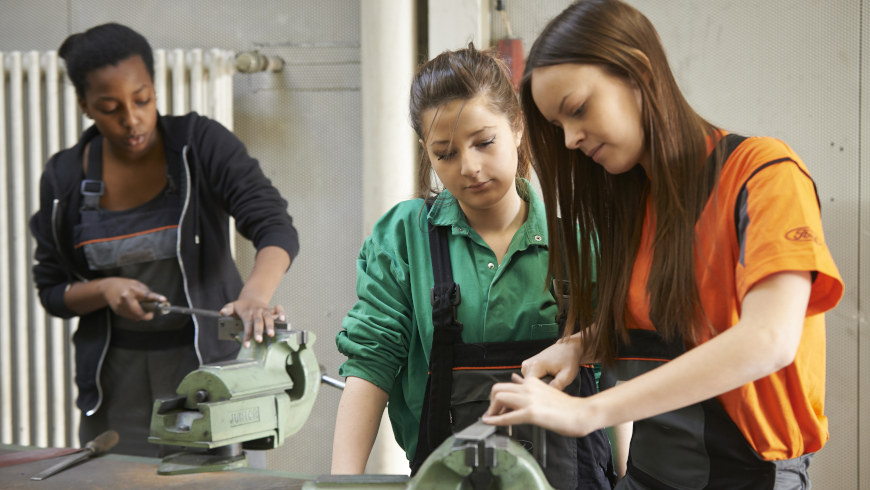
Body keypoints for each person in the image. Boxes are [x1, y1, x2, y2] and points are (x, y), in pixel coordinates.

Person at [481, 1, 844, 489]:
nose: (568, 140)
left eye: (577, 110)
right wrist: (580, 345)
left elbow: (768, 340)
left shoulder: (763, 174)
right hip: (654, 474)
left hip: (749, 476)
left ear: (639, 72)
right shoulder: (639, 206)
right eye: (557, 126)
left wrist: (589, 412)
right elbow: (672, 332)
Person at [331, 45, 615, 489]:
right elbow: (372, 362)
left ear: (517, 128)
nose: (470, 167)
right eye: (445, 153)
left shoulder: (578, 239)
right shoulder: (405, 239)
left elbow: (616, 362)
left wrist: (626, 474)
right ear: (426, 151)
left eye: (484, 142)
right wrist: (341, 482)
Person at [29, 23, 299, 457]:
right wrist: (104, 289)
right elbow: (52, 291)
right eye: (110, 108)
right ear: (85, 106)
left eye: (142, 100)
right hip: (114, 384)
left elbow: (273, 225)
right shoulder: (64, 178)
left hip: (205, 376)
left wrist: (255, 297)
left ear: (155, 88)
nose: (131, 120)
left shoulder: (201, 145)